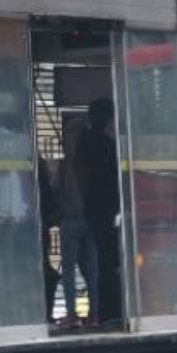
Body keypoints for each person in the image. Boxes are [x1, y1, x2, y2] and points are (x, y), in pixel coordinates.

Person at [75, 99, 121, 325]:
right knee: (109, 263)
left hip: (92, 209)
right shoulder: (106, 145)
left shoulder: (84, 143)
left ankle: (104, 311)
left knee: (100, 262)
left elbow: (81, 177)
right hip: (106, 209)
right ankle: (111, 311)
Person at [58, 117, 98, 327]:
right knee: (92, 269)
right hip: (91, 220)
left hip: (70, 219)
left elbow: (58, 189)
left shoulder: (66, 163)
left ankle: (72, 314)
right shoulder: (93, 161)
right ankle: (95, 314)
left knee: (68, 269)